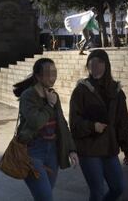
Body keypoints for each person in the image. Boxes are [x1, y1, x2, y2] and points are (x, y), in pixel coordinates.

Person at [69, 49, 128, 201]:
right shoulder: (81, 91)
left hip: (109, 148)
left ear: (107, 65)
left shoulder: (116, 91)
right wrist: (92, 126)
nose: (95, 67)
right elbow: (74, 123)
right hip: (88, 149)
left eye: (99, 63)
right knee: (97, 191)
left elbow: (122, 123)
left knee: (118, 187)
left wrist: (127, 147)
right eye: (91, 64)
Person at [13, 58, 79, 201]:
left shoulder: (53, 95)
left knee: (45, 195)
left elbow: (62, 124)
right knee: (45, 198)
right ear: (38, 76)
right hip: (32, 152)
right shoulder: (28, 96)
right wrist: (49, 105)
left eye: (54, 73)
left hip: (53, 153)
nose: (52, 77)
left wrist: (71, 149)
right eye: (48, 74)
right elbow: (37, 122)